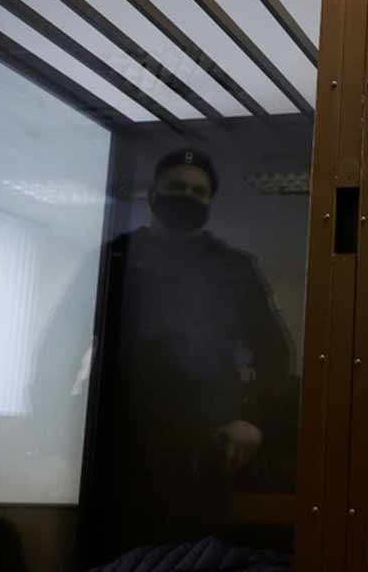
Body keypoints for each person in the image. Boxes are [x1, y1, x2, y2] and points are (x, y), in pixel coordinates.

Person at [87, 148, 293, 560]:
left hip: (206, 443)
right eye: (177, 187)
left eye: (199, 192)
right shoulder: (116, 256)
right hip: (120, 441)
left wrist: (253, 419)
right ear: (153, 194)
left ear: (210, 202)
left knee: (194, 553)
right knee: (116, 553)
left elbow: (274, 350)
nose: (187, 196)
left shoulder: (234, 267)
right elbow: (62, 343)